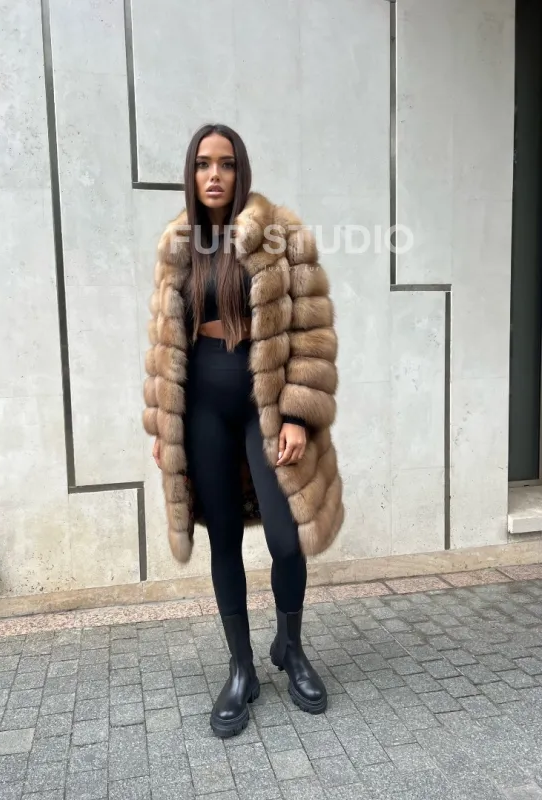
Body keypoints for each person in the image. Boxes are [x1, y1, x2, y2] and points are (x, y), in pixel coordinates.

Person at [143, 123, 344, 738]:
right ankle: (241, 669)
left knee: (285, 537)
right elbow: (162, 345)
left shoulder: (281, 235)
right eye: (203, 164)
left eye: (226, 164)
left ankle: (291, 647)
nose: (214, 175)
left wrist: (298, 415)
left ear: (241, 170)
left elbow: (312, 333)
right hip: (202, 408)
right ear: (191, 172)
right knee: (224, 538)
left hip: (266, 406)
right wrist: (163, 426)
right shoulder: (177, 244)